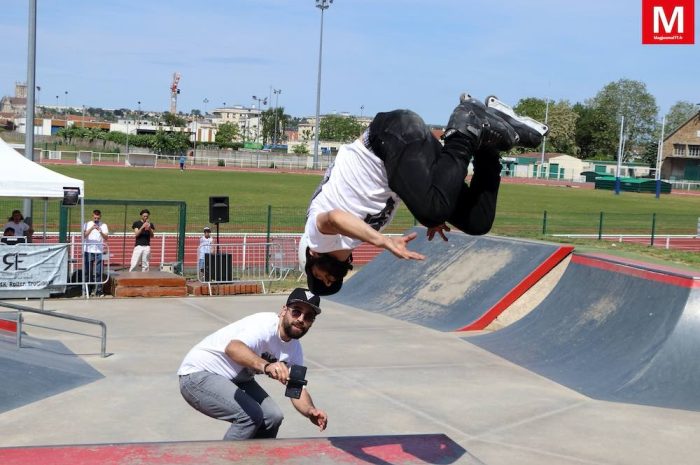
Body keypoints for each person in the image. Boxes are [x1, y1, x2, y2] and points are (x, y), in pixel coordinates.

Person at [300, 94, 547, 295]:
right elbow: (390, 188)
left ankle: (465, 126)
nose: (330, 281)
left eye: (320, 279)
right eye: (331, 285)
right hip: (403, 151)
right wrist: (432, 198)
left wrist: (384, 241)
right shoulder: (351, 239)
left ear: (311, 257)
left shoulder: (316, 238)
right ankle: (488, 142)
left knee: (432, 212)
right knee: (477, 220)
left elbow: (333, 218)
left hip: (389, 138)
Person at [178, 288, 328, 440]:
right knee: (249, 416)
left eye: (308, 316)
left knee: (273, 417)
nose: (301, 319)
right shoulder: (263, 325)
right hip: (198, 375)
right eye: (296, 311)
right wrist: (267, 366)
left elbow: (296, 388)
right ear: (284, 311)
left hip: (237, 379)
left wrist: (310, 410)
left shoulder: (295, 350)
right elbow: (233, 348)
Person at [83, 209, 109, 297]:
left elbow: (106, 238)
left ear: (100, 217)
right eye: (95, 217)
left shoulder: (104, 225)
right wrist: (91, 228)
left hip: (99, 251)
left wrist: (100, 230)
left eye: (98, 218)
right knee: (88, 271)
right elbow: (84, 236)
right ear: (92, 216)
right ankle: (88, 290)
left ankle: (99, 290)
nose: (96, 219)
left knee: (99, 271)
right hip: (88, 250)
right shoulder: (87, 224)